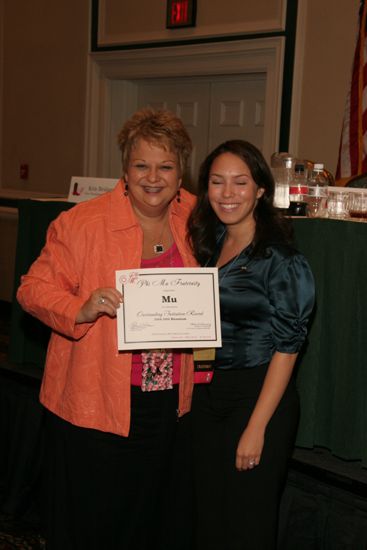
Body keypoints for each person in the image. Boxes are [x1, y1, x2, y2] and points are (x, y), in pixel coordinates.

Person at [17, 108, 197, 550]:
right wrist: (80, 308)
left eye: (165, 166)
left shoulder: (196, 216)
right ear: (124, 169)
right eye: (141, 165)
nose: (152, 177)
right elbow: (31, 289)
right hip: (94, 396)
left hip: (167, 396)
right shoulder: (81, 223)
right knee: (91, 516)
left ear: (180, 172)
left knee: (149, 511)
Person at [187, 140, 315, 550]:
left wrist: (256, 428)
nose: (228, 193)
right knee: (208, 515)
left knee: (246, 521)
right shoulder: (208, 244)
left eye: (240, 182)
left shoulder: (282, 260)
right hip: (210, 393)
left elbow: (288, 347)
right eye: (217, 182)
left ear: (261, 189)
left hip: (260, 396)